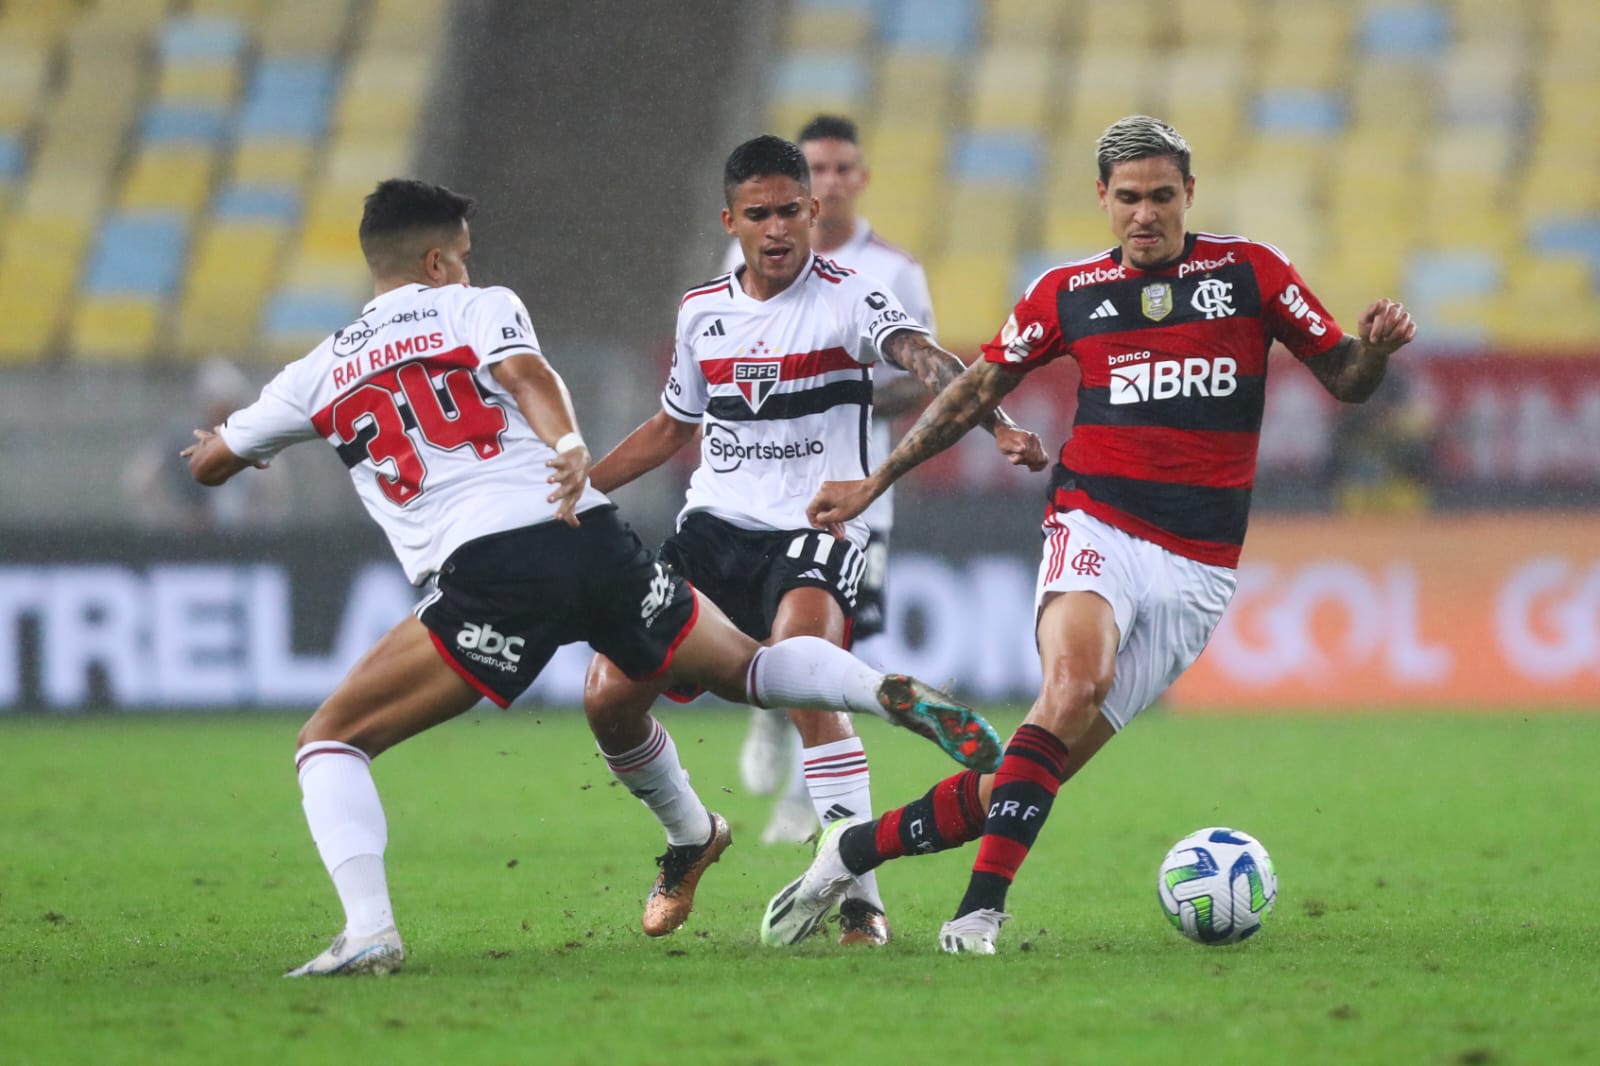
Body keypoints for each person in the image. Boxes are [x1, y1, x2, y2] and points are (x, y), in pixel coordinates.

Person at [182, 178, 1007, 976]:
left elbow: (214, 464)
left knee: (329, 740)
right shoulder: (480, 304)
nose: (467, 269)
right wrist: (571, 452)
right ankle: (808, 744)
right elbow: (529, 377)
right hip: (584, 531)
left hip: (488, 575)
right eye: (461, 256)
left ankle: (368, 931)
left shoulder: (316, 372)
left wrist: (217, 444)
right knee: (744, 670)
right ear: (437, 262)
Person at [759, 114, 1418, 953]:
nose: (1147, 215)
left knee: (1021, 780)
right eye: (1130, 198)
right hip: (1094, 519)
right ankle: (977, 915)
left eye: (1163, 197)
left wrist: (1378, 351)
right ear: (1103, 199)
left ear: (1190, 196)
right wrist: (875, 482)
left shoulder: (1253, 274)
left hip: (1200, 568)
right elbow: (970, 391)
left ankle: (850, 850)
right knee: (1075, 687)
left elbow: (1346, 379)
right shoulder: (1066, 293)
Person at [584, 136, 1047, 947]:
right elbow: (670, 426)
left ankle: (861, 898)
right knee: (608, 696)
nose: (776, 229)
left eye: (790, 211)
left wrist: (998, 422)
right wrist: (580, 490)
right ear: (731, 219)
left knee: (807, 684)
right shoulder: (702, 311)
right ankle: (692, 834)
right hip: (712, 531)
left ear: (815, 211)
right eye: (757, 214)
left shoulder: (850, 297)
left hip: (818, 525)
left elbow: (927, 359)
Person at [722, 115, 944, 847]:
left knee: (838, 642)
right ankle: (767, 716)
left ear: (859, 179)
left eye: (844, 168)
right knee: (765, 629)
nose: (831, 180)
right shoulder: (747, 253)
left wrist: (842, 394)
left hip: (857, 488)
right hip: (765, 484)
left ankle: (799, 799)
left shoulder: (893, 269)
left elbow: (926, 379)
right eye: (817, 168)